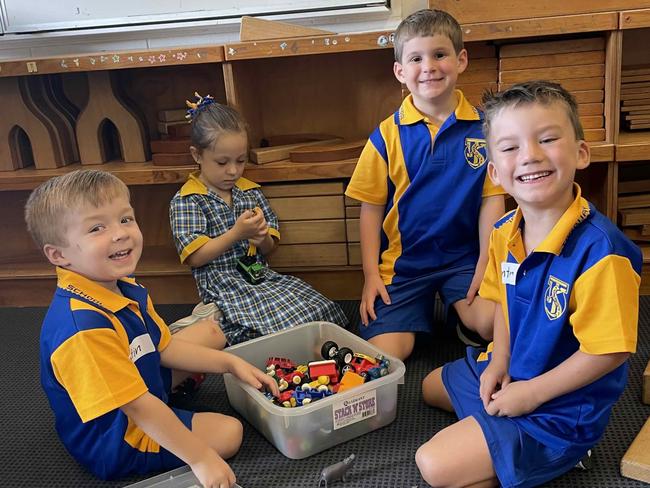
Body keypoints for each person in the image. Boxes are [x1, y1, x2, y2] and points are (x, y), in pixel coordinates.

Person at [416, 80, 642, 488]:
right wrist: (499, 360)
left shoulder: (602, 253)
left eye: (548, 138)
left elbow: (609, 352)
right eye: (510, 147)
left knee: (433, 464)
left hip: (560, 406)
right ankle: (500, 442)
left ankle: (557, 452)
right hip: (516, 370)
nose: (530, 156)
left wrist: (532, 394)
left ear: (581, 152)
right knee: (431, 387)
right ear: (495, 173)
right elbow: (504, 304)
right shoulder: (504, 232)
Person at [24, 169, 279, 488]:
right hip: (117, 434)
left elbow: (163, 346)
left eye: (125, 219)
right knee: (229, 434)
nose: (119, 234)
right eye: (97, 228)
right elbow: (137, 406)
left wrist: (231, 363)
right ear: (59, 255)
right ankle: (174, 405)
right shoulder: (81, 329)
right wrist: (200, 457)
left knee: (211, 333)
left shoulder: (122, 285)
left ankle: (174, 394)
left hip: (136, 381)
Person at [345, 8, 505, 360]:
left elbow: (491, 204)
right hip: (405, 264)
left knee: (493, 324)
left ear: (461, 60)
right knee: (388, 354)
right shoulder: (386, 135)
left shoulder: (486, 129)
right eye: (416, 58)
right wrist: (371, 274)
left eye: (439, 54)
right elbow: (370, 210)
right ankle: (426, 314)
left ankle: (458, 316)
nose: (429, 66)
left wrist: (486, 266)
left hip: (463, 260)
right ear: (400, 72)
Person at [169, 94, 348, 346]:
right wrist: (236, 234)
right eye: (222, 162)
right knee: (268, 326)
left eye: (240, 161)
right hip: (224, 288)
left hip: (260, 278)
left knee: (318, 311)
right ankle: (201, 327)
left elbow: (269, 248)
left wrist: (261, 236)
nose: (233, 170)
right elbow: (195, 257)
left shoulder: (249, 191)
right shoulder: (187, 199)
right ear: (197, 155)